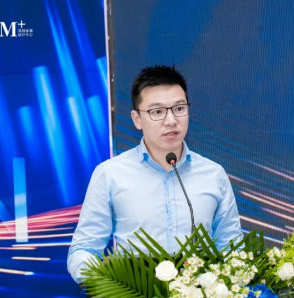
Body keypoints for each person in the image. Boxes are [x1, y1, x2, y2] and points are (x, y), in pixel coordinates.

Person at [67, 65, 242, 284]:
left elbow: (231, 247)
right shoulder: (110, 174)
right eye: (157, 112)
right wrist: (105, 285)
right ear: (137, 119)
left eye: (179, 108)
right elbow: (84, 248)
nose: (171, 120)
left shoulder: (213, 175)